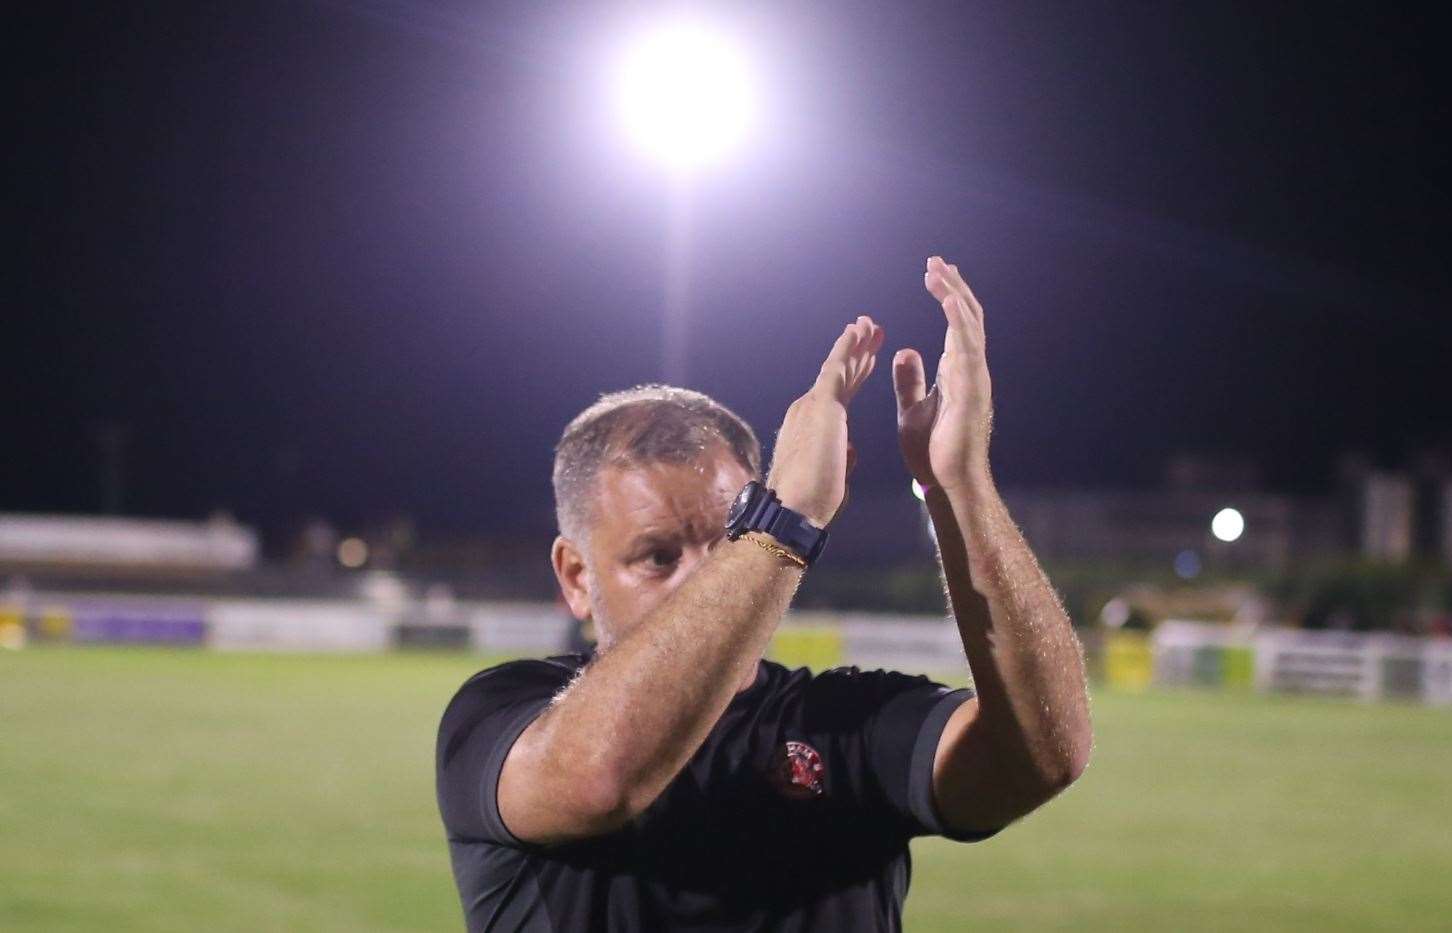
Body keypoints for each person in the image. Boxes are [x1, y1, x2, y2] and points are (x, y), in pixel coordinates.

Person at [436, 257, 1092, 931]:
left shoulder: (847, 723)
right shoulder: (501, 715)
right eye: (658, 556)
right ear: (576, 577)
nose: (706, 574)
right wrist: (786, 518)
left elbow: (1043, 754)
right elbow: (599, 778)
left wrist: (960, 486)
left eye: (730, 538)